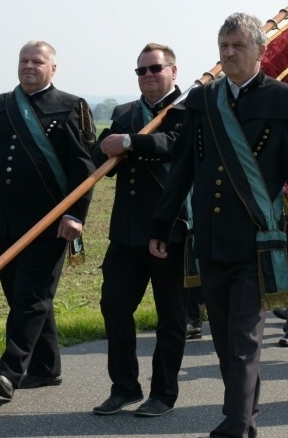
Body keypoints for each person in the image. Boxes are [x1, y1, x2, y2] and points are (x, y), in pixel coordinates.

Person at [149, 13, 288, 438]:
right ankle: (245, 418)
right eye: (223, 46)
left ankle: (233, 427)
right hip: (210, 241)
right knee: (225, 341)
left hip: (257, 243)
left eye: (237, 46)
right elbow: (183, 171)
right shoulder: (203, 100)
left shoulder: (287, 101)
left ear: (261, 51)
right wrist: (162, 225)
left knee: (245, 339)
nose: (228, 54)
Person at [0, 40, 96, 399]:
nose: (29, 66)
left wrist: (76, 215)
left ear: (53, 68)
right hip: (2, 223)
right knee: (25, 299)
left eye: (38, 61)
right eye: (24, 60)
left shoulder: (70, 107)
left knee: (31, 298)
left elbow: (84, 170)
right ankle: (46, 368)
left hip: (49, 225)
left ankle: (10, 371)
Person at [90, 43, 188, 417]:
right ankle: (125, 387)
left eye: (155, 68)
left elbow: (176, 147)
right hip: (127, 232)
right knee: (114, 306)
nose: (148, 75)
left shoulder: (188, 110)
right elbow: (107, 162)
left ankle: (163, 394)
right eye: (141, 70)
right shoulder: (124, 113)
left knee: (171, 318)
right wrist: (105, 147)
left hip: (171, 232)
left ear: (173, 72)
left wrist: (131, 142)